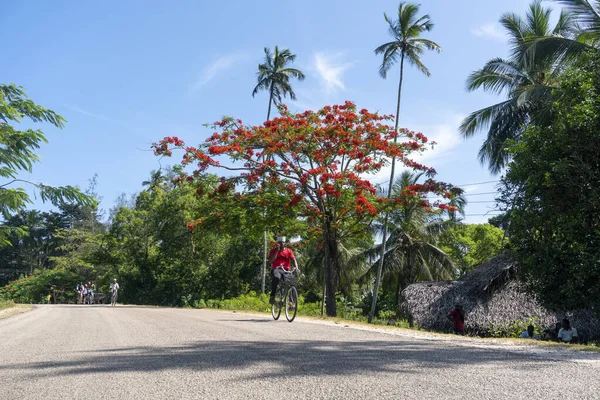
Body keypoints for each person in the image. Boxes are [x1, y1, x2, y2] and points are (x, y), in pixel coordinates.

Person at [267, 236, 299, 304]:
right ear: (277, 243)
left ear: (285, 243)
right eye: (280, 243)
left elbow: (293, 260)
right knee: (276, 277)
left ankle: (291, 302)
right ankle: (272, 296)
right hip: (277, 269)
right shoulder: (273, 251)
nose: (281, 244)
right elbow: (270, 261)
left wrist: (296, 268)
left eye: (283, 242)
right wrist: (277, 251)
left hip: (286, 270)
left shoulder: (289, 251)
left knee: (292, 282)